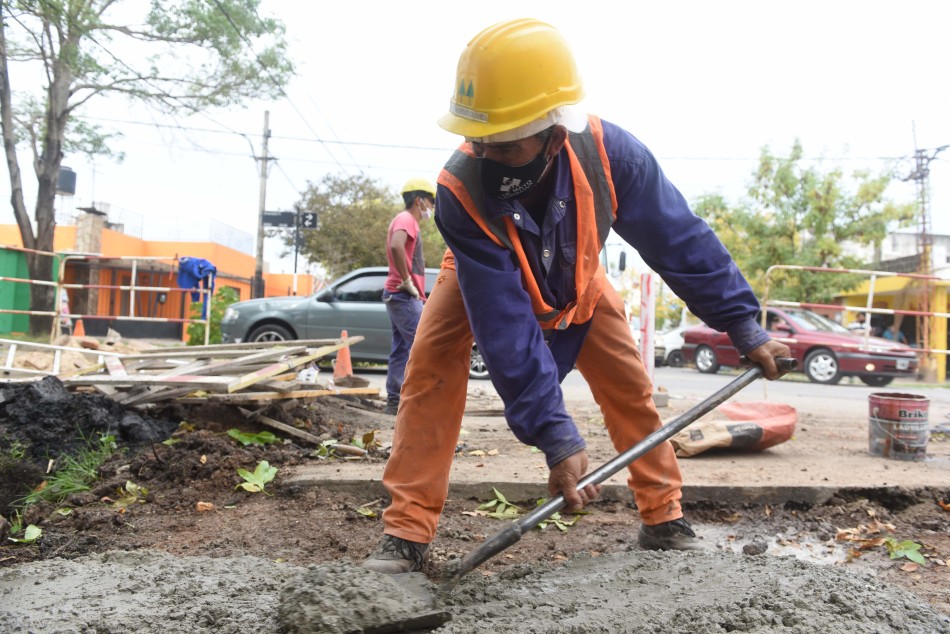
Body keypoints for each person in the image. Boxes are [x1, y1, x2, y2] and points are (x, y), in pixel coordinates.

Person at [364, 18, 791, 574]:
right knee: (429, 375)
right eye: (480, 140)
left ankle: (664, 518)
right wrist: (557, 438)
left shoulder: (615, 159)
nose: (488, 155)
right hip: (478, 277)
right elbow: (505, 323)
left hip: (580, 277)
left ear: (555, 134)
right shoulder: (459, 190)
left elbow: (679, 240)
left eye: (507, 144)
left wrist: (743, 325)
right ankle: (405, 532)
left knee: (629, 386)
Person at [382, 178, 436, 415]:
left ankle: (395, 401)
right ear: (419, 200)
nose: (431, 207)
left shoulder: (406, 220)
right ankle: (422, 401)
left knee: (402, 350)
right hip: (403, 295)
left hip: (400, 295)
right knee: (423, 347)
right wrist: (406, 280)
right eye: (431, 201)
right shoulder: (406, 219)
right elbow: (396, 245)